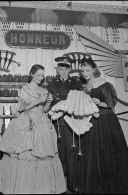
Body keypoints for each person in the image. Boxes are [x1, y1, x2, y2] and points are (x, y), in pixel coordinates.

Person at [0, 64, 66, 194]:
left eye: (42, 75)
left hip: (41, 123)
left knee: (43, 156)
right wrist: (38, 100)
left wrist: (49, 102)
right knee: (25, 154)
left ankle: (40, 189)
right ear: (32, 74)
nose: (41, 77)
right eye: (38, 75)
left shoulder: (44, 90)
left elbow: (44, 111)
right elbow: (22, 108)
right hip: (26, 123)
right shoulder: (25, 90)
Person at [72, 57, 128, 194]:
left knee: (106, 154)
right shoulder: (84, 87)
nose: (85, 73)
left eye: (87, 70)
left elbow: (111, 104)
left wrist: (99, 102)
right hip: (91, 121)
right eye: (83, 71)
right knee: (92, 155)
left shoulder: (104, 84)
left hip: (106, 122)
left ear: (94, 70)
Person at [47, 56, 83, 193]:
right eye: (60, 69)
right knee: (58, 155)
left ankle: (72, 185)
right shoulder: (51, 82)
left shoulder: (75, 83)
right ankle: (60, 186)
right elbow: (50, 102)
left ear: (70, 70)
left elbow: (76, 102)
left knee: (71, 155)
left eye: (65, 69)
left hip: (70, 122)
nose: (63, 72)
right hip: (55, 122)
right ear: (57, 70)